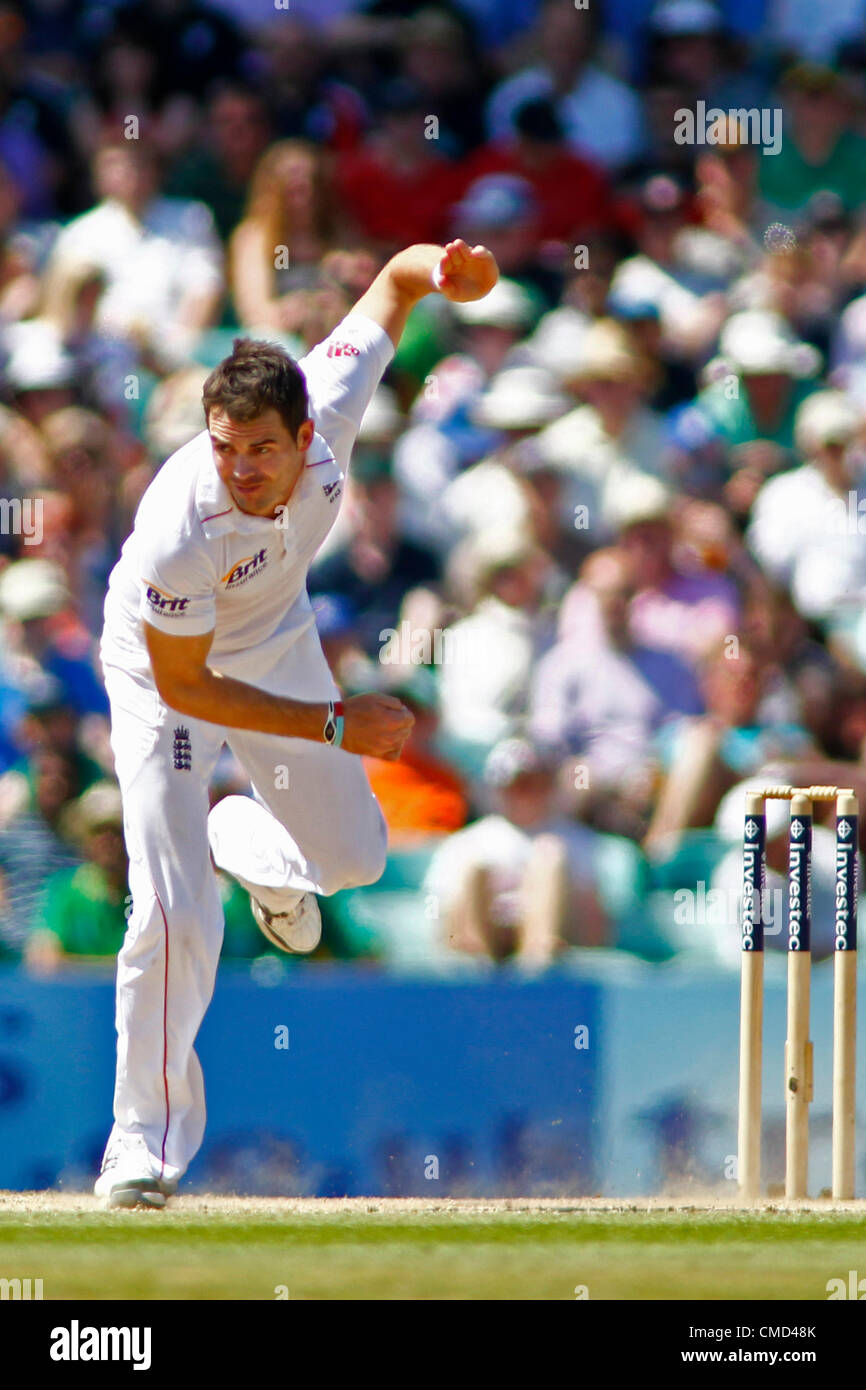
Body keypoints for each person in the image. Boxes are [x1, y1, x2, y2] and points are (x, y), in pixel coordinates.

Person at [93, 236, 499, 1209]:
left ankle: (250, 841)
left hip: (271, 635)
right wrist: (329, 725)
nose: (240, 468)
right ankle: (138, 1145)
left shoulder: (332, 396)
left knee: (355, 860)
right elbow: (188, 685)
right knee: (173, 904)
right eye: (224, 448)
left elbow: (397, 280)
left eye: (261, 449)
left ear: (306, 431)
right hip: (162, 675)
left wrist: (453, 270)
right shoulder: (177, 524)